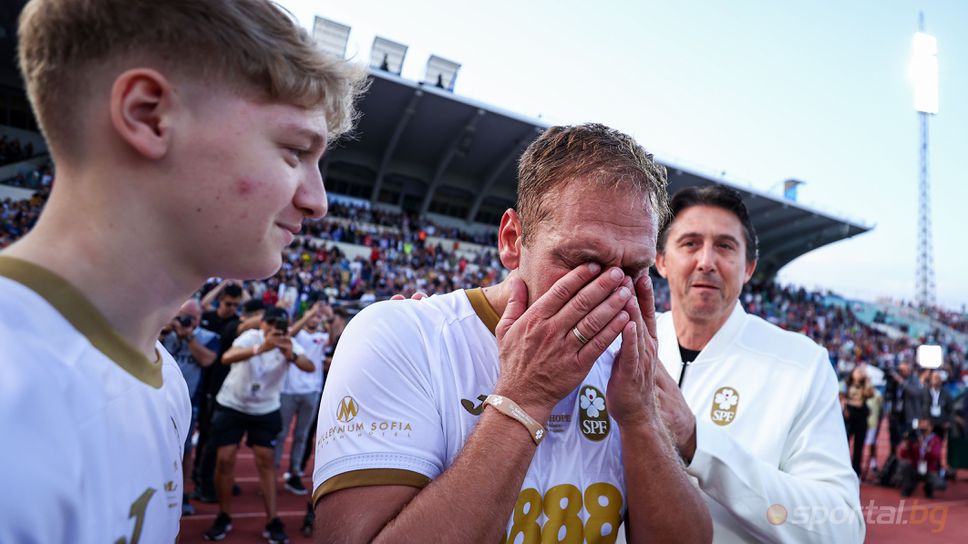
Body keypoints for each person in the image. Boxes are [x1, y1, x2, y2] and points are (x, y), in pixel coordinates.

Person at [0, 0, 364, 541]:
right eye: (292, 151)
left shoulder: (164, 379)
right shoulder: (15, 396)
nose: (317, 202)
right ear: (149, 116)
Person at [313, 123, 713, 543]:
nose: (609, 292)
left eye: (633, 271)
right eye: (584, 261)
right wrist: (525, 396)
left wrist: (641, 416)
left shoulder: (628, 367)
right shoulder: (402, 337)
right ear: (512, 240)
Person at [652, 185, 864, 542]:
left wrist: (698, 442)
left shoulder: (801, 364)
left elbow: (840, 526)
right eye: (689, 243)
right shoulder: (625, 346)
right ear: (660, 262)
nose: (706, 261)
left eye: (725, 246)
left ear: (748, 267)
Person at [206, 307, 316, 542]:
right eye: (272, 326)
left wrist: (292, 356)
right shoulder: (251, 338)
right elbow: (226, 357)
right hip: (232, 404)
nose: (276, 332)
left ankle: (272, 519)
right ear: (263, 325)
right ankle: (224, 515)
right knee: (225, 459)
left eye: (281, 328)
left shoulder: (287, 343)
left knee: (266, 462)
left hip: (265, 408)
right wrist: (259, 349)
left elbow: (310, 366)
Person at [161, 298, 220, 515]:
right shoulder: (165, 333)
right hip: (159, 399)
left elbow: (207, 360)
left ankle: (181, 495)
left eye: (192, 318)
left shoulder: (208, 337)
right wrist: (164, 330)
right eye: (182, 316)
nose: (186, 321)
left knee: (184, 452)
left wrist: (189, 338)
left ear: (199, 319)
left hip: (188, 404)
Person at [274, 301, 332, 495]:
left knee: (302, 435)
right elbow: (289, 334)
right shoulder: (297, 334)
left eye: (317, 317)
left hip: (312, 391)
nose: (315, 319)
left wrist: (327, 317)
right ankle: (272, 473)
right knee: (280, 434)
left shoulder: (322, 336)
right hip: (288, 390)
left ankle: (295, 473)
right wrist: (309, 314)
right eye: (312, 316)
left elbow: (332, 339)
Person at [842, 365, 875, 476]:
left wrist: (866, 379)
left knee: (858, 446)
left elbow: (869, 395)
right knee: (844, 444)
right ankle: (844, 469)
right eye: (857, 371)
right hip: (849, 417)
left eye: (861, 372)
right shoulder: (846, 384)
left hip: (861, 417)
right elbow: (841, 398)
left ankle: (856, 472)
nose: (859, 373)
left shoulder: (865, 385)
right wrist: (846, 406)